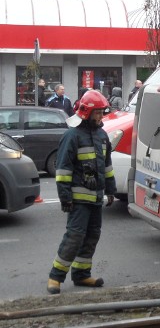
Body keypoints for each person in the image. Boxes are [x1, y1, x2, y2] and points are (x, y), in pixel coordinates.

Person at [46, 91, 116, 294]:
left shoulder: (102, 136)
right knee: (74, 237)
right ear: (86, 112)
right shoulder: (72, 136)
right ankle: (55, 277)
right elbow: (63, 170)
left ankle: (82, 275)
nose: (100, 116)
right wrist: (65, 197)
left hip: (95, 198)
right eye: (97, 113)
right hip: (77, 200)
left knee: (92, 236)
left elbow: (107, 167)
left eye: (102, 112)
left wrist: (110, 190)